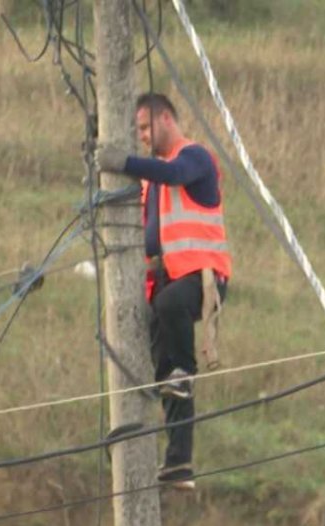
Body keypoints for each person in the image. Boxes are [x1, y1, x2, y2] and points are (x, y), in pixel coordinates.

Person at [96, 93, 231, 490]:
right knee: (164, 363)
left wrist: (123, 162)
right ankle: (178, 464)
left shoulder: (194, 159)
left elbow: (171, 175)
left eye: (143, 127)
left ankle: (183, 373)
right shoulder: (150, 186)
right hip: (168, 279)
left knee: (172, 320)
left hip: (201, 279)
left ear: (166, 119)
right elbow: (152, 237)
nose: (140, 136)